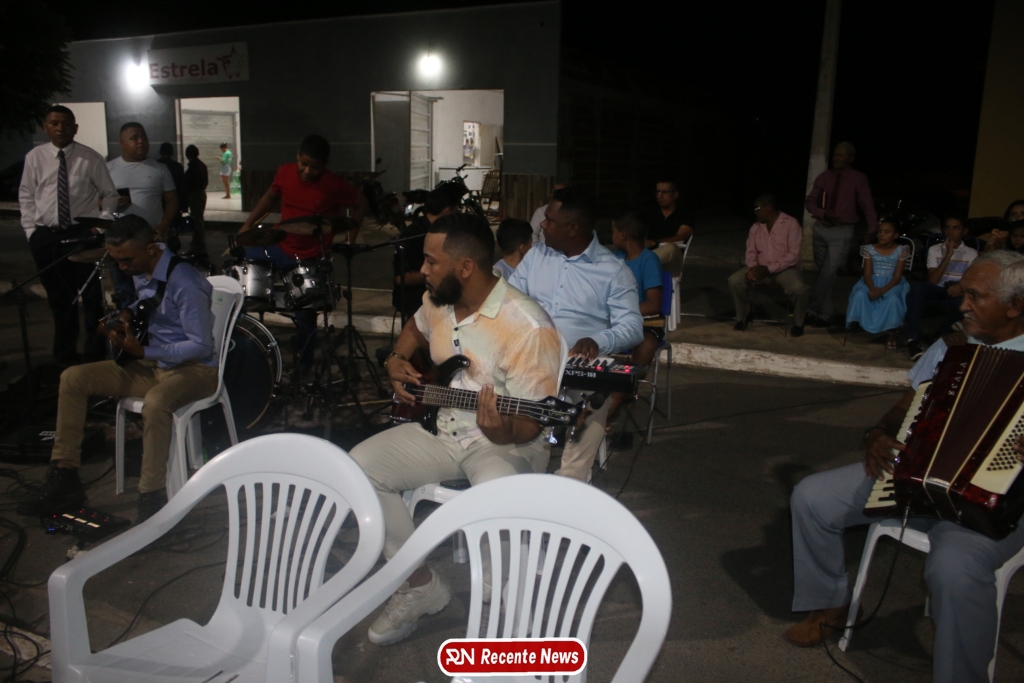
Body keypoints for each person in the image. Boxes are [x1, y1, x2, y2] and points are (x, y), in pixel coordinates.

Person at [784, 251, 1024, 683]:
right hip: (915, 473)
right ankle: (832, 603)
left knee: (954, 569)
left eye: (975, 296)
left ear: (1015, 305)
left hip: (995, 502)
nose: (963, 305)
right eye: (963, 294)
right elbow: (907, 405)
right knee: (812, 497)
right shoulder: (952, 345)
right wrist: (878, 433)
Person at [351, 211, 562, 646]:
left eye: (431, 261)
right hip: (442, 427)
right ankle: (419, 584)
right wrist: (395, 359)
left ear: (465, 267)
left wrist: (500, 431)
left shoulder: (528, 327)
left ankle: (509, 617)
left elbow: (530, 423)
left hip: (505, 442)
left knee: (495, 505)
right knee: (358, 470)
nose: (423, 270)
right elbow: (416, 326)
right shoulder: (439, 301)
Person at [16, 215, 218, 523]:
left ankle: (152, 496)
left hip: (196, 370)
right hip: (155, 365)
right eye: (116, 260)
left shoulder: (186, 282)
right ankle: (64, 476)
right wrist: (123, 316)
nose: (122, 267)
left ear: (151, 248)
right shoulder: (142, 269)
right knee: (73, 378)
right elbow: (148, 304)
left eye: (127, 260)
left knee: (156, 402)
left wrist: (144, 351)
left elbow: (201, 346)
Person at [509, 186, 643, 482]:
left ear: (573, 228)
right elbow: (510, 302)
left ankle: (569, 488)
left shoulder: (613, 270)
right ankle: (525, 486)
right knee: (525, 454)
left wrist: (598, 341)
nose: (542, 226)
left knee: (591, 408)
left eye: (549, 221)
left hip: (581, 369)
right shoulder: (536, 256)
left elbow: (633, 327)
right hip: (532, 363)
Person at [239, 134, 363, 366]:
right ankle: (243, 343)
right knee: (243, 262)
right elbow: (270, 196)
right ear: (297, 156)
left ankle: (304, 365)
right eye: (303, 163)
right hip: (279, 246)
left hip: (309, 255)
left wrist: (350, 238)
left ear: (324, 165)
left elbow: (359, 203)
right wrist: (248, 224)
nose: (307, 170)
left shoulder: (333, 184)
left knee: (306, 312)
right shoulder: (284, 172)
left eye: (314, 167)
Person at [18, 105, 117, 366]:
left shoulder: (90, 158)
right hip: (47, 237)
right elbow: (27, 196)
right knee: (60, 301)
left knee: (92, 299)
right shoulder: (35, 157)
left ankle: (95, 357)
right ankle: (64, 358)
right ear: (45, 127)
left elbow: (110, 194)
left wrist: (99, 227)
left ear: (75, 128)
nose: (60, 128)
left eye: (65, 123)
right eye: (54, 123)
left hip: (82, 235)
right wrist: (31, 232)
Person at [804, 142, 878, 327]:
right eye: (835, 154)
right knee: (822, 273)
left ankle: (813, 309)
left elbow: (867, 204)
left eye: (841, 155)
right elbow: (810, 201)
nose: (836, 158)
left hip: (842, 230)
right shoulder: (824, 177)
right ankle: (825, 311)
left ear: (850, 159)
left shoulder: (858, 179)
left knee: (828, 272)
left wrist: (872, 229)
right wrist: (822, 213)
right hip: (821, 228)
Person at [605, 210, 663, 424]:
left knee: (647, 344)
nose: (611, 236)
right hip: (616, 320)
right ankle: (594, 389)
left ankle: (620, 393)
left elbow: (654, 304)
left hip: (645, 321)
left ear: (623, 234)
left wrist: (624, 311)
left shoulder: (649, 260)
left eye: (613, 231)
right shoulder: (615, 259)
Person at [728, 193, 808, 337]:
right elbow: (751, 251)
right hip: (759, 267)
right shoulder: (756, 227)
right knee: (734, 280)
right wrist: (753, 268)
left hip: (784, 269)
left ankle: (798, 322)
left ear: (769, 207)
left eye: (757, 208)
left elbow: (793, 255)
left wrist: (768, 269)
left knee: (799, 289)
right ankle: (744, 315)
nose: (755, 211)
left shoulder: (790, 224)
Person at [905, 214, 978, 360]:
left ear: (964, 231)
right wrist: (948, 255)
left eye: (956, 228)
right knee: (917, 288)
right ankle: (913, 339)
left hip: (957, 290)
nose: (951, 232)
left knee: (964, 304)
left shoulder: (971, 253)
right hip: (937, 287)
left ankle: (942, 334)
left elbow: (972, 279)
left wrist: (960, 286)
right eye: (947, 228)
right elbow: (933, 280)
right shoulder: (935, 249)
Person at [392, 188, 457, 323]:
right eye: (456, 210)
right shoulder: (414, 235)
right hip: (416, 298)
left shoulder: (442, 231)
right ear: (448, 211)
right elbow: (401, 278)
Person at [107, 123, 179, 240]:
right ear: (122, 144)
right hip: (119, 239)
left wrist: (163, 225)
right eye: (134, 138)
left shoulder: (161, 169)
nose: (141, 141)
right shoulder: (107, 169)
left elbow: (172, 200)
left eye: (144, 137)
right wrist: (110, 202)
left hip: (152, 236)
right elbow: (94, 200)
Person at [845, 219, 910, 347]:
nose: (881, 235)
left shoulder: (901, 250)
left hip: (892, 283)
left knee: (893, 299)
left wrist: (883, 290)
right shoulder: (870, 249)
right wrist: (872, 288)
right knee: (860, 294)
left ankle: (891, 330)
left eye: (886, 232)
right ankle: (859, 324)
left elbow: (897, 276)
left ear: (895, 235)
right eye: (880, 231)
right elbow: (867, 273)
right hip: (872, 281)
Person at [645, 180, 695, 274]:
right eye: (658, 192)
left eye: (664, 192)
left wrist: (655, 242)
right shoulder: (651, 214)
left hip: (672, 258)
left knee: (670, 247)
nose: (660, 196)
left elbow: (681, 237)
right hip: (650, 253)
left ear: (675, 195)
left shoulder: (684, 215)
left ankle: (643, 262)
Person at [183, 145, 209, 258]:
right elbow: (205, 182)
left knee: (197, 221)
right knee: (198, 220)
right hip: (201, 193)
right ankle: (196, 246)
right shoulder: (202, 165)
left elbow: (189, 183)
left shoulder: (193, 167)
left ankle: (200, 247)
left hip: (195, 194)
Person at [156, 142, 187, 210]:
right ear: (172, 152)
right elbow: (182, 187)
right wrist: (184, 205)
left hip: (158, 201)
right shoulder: (178, 166)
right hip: (174, 199)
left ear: (160, 152)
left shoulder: (155, 165)